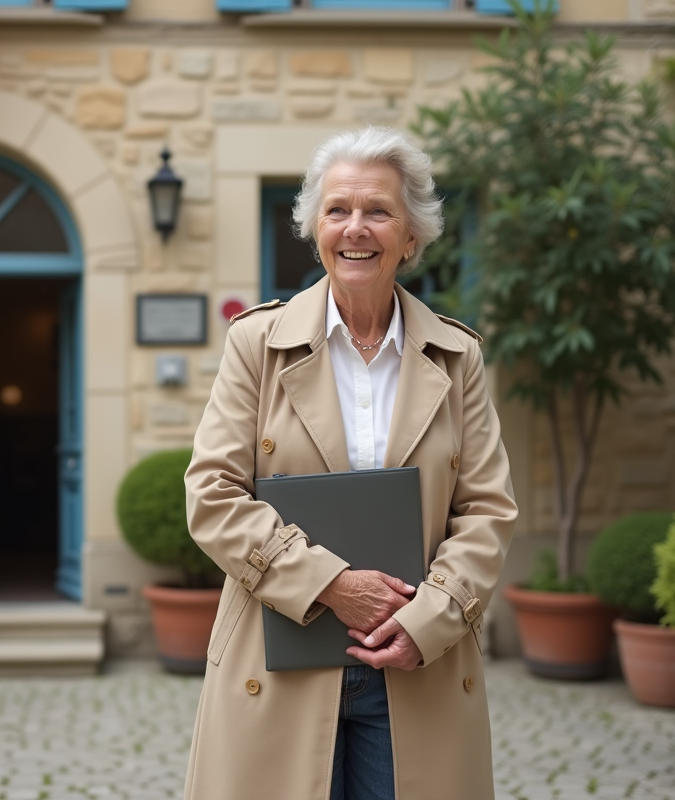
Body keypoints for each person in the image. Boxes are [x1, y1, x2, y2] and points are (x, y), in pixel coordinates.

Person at [182, 126, 518, 800]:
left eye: (378, 211)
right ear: (315, 229)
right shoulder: (257, 343)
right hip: (279, 658)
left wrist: (431, 621)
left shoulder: (458, 357)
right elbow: (211, 495)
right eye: (337, 210)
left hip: (413, 666)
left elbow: (486, 510)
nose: (355, 228)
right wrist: (333, 584)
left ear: (411, 236)